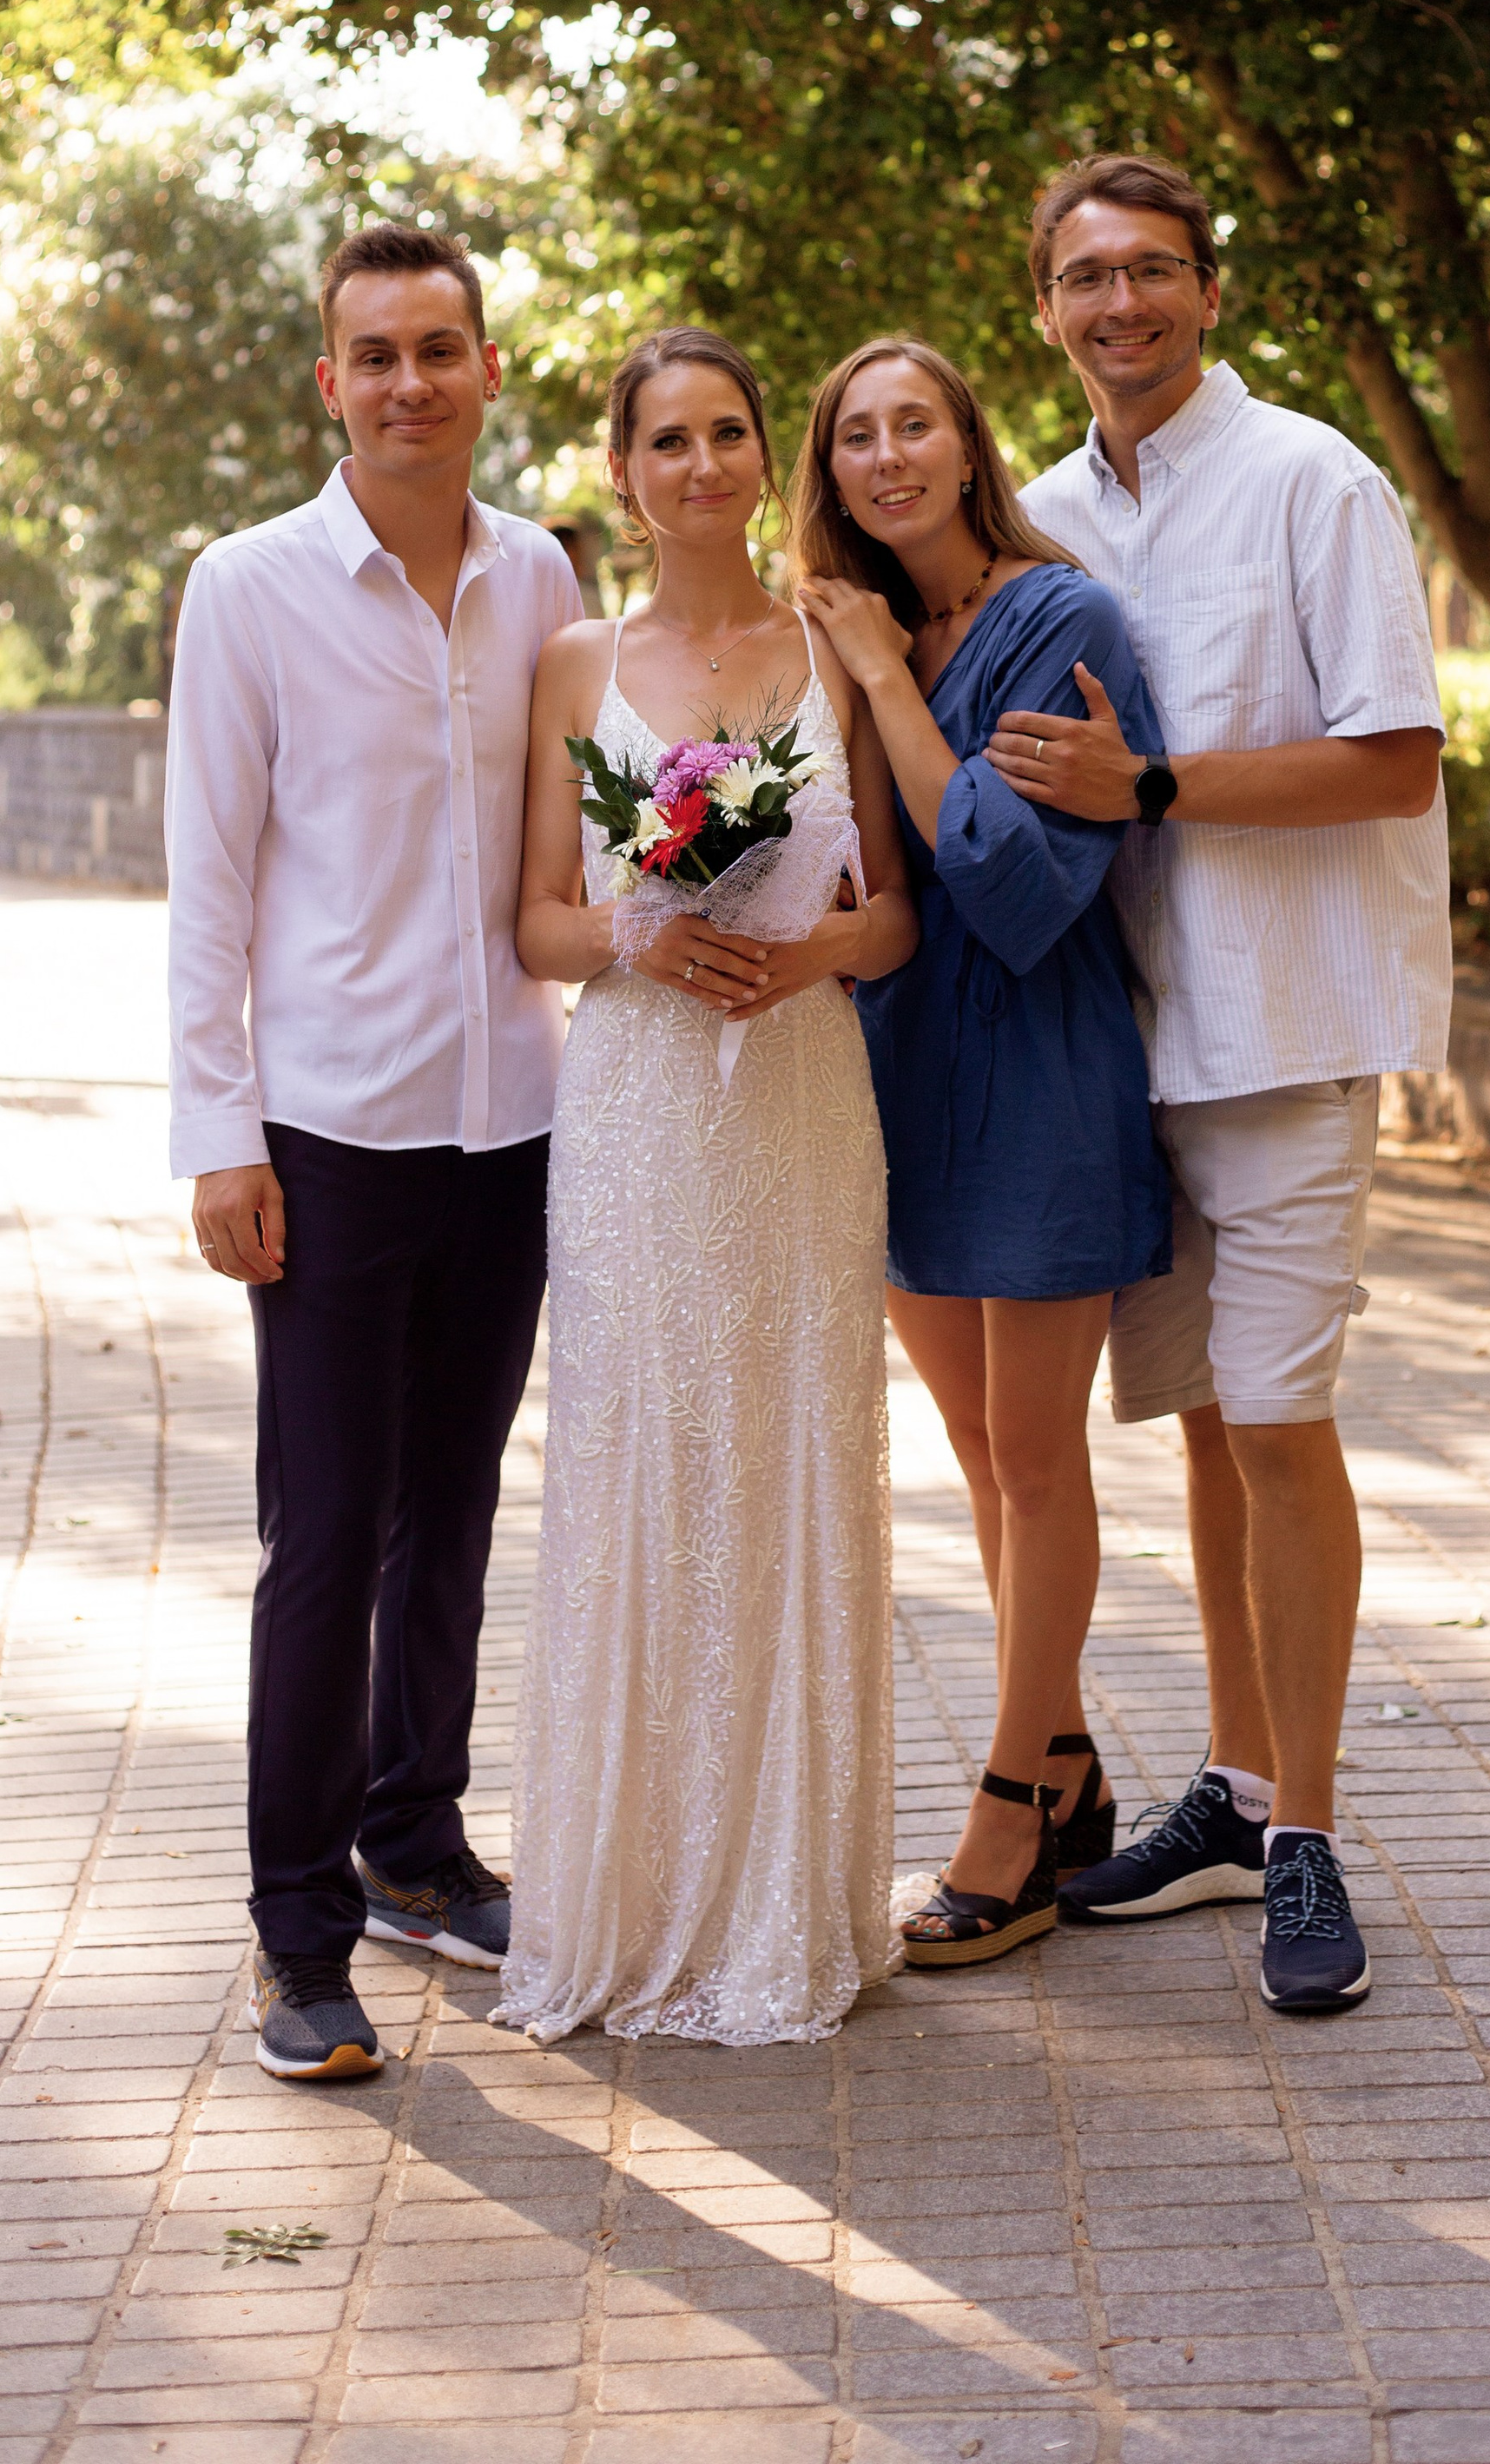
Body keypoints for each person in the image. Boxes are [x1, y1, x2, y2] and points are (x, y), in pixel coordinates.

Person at [999, 152, 1450, 2016]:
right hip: (1119, 1047)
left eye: (1154, 271)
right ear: (1044, 306)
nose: (1123, 305)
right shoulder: (1033, 517)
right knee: (1194, 1421)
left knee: (1274, 1418)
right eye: (1087, 277)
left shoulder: (1309, 481)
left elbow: (1395, 758)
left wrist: (1155, 789)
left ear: (1207, 290)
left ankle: (1308, 1843)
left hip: (1281, 1028)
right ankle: (1237, 1780)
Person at [166, 220, 583, 2083]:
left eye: (441, 347)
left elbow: (593, 835)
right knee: (322, 1535)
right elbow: (210, 886)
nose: (411, 380)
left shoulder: (544, 580)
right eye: (376, 354)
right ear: (327, 382)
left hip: (512, 1121)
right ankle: (295, 1931)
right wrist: (217, 1135)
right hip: (328, 1134)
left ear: (489, 369)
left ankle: (416, 1846)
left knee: (457, 1513)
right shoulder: (247, 590)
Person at [499, 326, 917, 2045]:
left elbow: (893, 911)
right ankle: (631, 1898)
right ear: (621, 471)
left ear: (765, 455)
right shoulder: (570, 665)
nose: (698, 467)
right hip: (637, 1108)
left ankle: (783, 1900)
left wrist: (803, 950)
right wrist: (645, 932)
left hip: (799, 1095)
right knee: (639, 1458)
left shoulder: (829, 643)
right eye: (663, 440)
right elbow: (532, 918)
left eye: (726, 434)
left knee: (791, 1455)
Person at [794, 339, 1169, 1970]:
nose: (888, 457)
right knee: (973, 1443)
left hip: (1043, 1075)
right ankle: (1072, 1762)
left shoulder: (1058, 617)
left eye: (915, 426)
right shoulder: (839, 627)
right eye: (857, 435)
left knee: (1036, 1456)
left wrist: (885, 685)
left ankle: (1012, 1810)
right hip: (895, 1077)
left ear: (966, 446)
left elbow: (1018, 895)